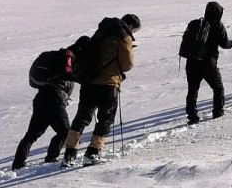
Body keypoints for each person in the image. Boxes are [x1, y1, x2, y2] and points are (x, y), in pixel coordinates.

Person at [62, 14, 139, 167]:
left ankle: (69, 155)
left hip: (89, 82)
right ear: (130, 26)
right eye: (135, 30)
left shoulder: (100, 32)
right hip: (108, 83)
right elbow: (127, 65)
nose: (134, 33)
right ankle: (93, 152)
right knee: (106, 118)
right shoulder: (123, 36)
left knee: (82, 117)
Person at [12, 36, 91, 170]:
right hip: (54, 99)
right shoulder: (68, 57)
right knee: (65, 131)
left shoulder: (61, 56)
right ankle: (51, 157)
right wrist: (85, 79)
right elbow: (67, 74)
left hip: (41, 97)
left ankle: (18, 163)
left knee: (31, 134)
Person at [181, 1, 232, 124]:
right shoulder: (217, 26)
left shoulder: (196, 24)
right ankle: (217, 112)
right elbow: (224, 44)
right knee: (218, 88)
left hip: (192, 62)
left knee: (192, 90)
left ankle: (192, 116)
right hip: (208, 63)